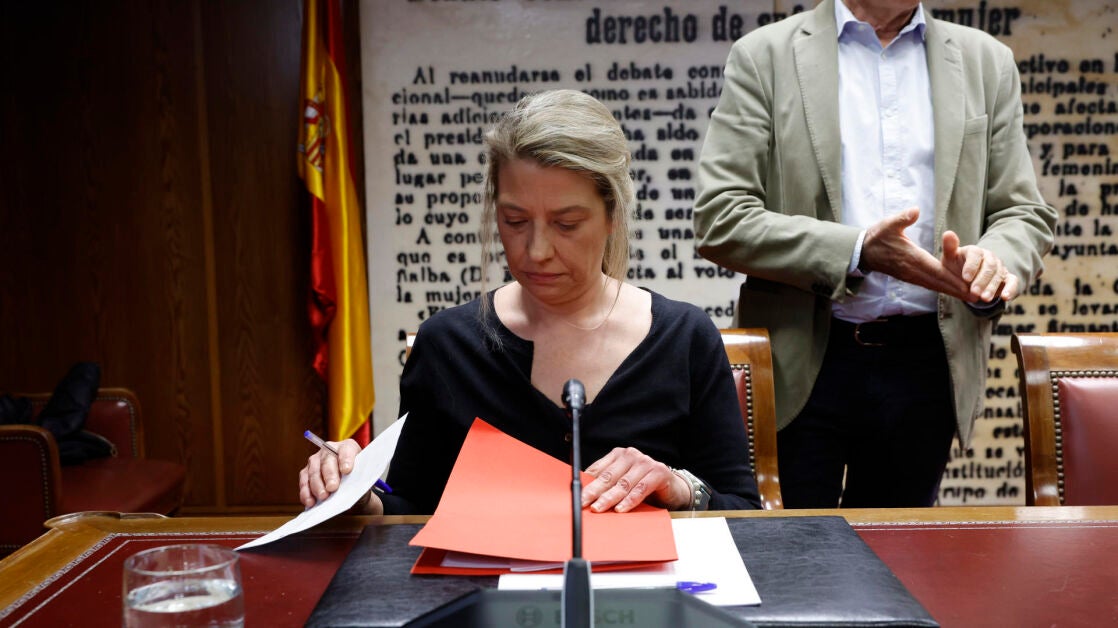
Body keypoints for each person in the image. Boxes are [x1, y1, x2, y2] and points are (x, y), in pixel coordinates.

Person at [300, 89, 762, 515]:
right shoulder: (446, 345)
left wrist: (679, 488)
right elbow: (414, 510)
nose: (536, 251)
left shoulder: (685, 338)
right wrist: (357, 499)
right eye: (515, 220)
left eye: (566, 224)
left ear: (612, 217)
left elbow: (745, 511)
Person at [694, 0, 1056, 508]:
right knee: (796, 548)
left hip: (928, 364)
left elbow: (1023, 212)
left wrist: (991, 263)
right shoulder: (766, 55)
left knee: (897, 551)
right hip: (803, 360)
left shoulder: (985, 60)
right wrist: (858, 250)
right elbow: (721, 216)